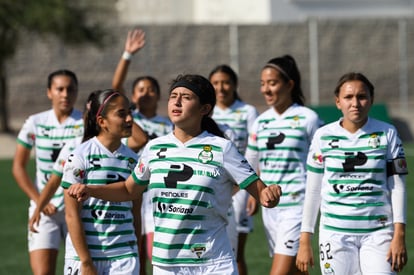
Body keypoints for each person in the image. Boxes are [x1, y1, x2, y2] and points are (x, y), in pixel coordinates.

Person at [67, 74, 282, 275]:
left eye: (186, 97)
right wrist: (90, 189)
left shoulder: (222, 148)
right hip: (167, 265)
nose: (176, 102)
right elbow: (128, 189)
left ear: (204, 108)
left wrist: (269, 194)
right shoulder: (154, 149)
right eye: (173, 97)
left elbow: (261, 192)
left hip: (213, 262)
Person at [296, 72, 408, 274]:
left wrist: (399, 235)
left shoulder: (388, 133)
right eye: (348, 97)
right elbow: (313, 191)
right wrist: (305, 240)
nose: (355, 103)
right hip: (334, 235)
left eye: (362, 96)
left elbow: (398, 187)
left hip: (379, 233)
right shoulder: (323, 136)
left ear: (371, 100)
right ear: (338, 102)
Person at [244, 55, 320, 275]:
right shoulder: (261, 121)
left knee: (279, 271)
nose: (266, 89)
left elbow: (324, 161)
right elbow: (251, 162)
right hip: (271, 208)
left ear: (289, 84)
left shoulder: (308, 118)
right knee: (296, 270)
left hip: (298, 206)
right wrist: (253, 194)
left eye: (272, 83)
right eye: (263, 84)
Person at [112, 28, 173, 274]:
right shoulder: (129, 119)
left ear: (159, 95)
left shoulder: (169, 124)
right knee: (135, 251)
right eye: (140, 89)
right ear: (132, 96)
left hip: (160, 191)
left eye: (151, 89)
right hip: (133, 188)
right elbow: (115, 88)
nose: (146, 93)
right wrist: (127, 54)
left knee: (157, 252)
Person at [61, 89, 142, 274]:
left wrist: (139, 257)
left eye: (130, 112)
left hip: (124, 257)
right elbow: (71, 215)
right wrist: (86, 262)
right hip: (85, 256)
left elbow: (136, 214)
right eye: (122, 114)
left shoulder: (134, 161)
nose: (130, 119)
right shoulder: (80, 157)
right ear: (102, 121)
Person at [12, 69, 83, 275]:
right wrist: (39, 201)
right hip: (44, 208)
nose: (65, 94)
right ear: (49, 92)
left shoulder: (85, 123)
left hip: (77, 208)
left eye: (70, 89)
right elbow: (18, 167)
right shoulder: (35, 122)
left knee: (81, 269)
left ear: (77, 92)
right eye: (59, 89)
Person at [209, 64, 259, 275]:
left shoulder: (247, 111)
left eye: (226, 82)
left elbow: (256, 151)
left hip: (241, 185)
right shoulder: (206, 111)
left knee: (236, 252)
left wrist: (252, 190)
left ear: (235, 85)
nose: (221, 88)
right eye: (216, 83)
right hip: (213, 184)